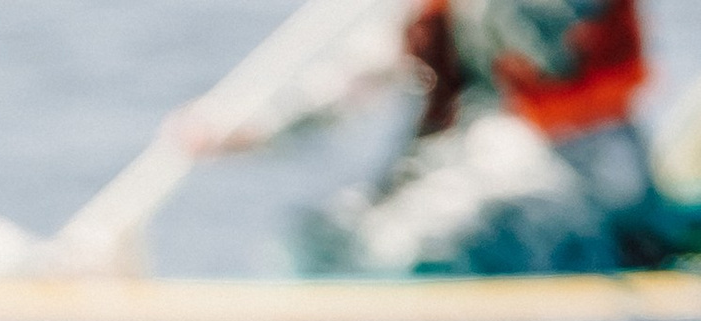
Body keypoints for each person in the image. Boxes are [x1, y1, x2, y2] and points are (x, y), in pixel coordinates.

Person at [187, 0, 694, 275]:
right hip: (481, 159)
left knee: (425, 239)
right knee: (323, 236)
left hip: (583, 169)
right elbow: (362, 75)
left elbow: (548, 46)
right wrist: (252, 128)